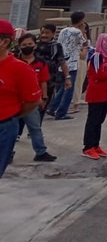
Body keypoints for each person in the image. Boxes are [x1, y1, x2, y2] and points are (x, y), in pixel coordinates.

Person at [0, 20, 43, 178]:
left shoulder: (20, 69)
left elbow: (32, 101)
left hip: (3, 128)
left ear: (5, 42)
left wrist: (11, 115)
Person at [17, 33, 56, 163]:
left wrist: (44, 98)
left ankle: (41, 152)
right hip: (14, 101)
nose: (27, 47)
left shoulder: (40, 63)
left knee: (35, 127)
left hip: (32, 102)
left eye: (30, 44)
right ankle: (7, 153)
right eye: (24, 45)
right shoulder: (14, 61)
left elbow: (43, 81)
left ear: (35, 45)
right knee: (10, 130)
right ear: (19, 46)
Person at [82, 33, 107, 159]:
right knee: (93, 120)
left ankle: (95, 145)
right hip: (96, 93)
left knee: (100, 121)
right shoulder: (97, 57)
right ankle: (88, 147)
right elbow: (99, 74)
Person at [51, 10, 87, 119]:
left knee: (62, 87)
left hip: (61, 62)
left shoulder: (64, 30)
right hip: (72, 64)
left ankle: (52, 107)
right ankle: (61, 113)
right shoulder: (77, 32)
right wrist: (83, 31)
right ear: (81, 21)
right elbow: (85, 44)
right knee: (69, 90)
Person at [36, 23, 70, 109]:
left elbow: (62, 62)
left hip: (50, 80)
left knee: (44, 104)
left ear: (53, 33)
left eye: (47, 33)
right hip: (35, 79)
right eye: (42, 32)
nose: (44, 35)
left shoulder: (56, 46)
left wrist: (67, 78)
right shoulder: (34, 45)